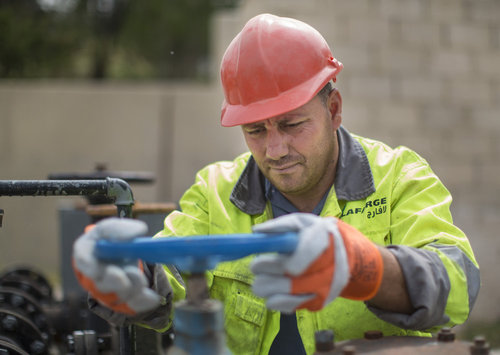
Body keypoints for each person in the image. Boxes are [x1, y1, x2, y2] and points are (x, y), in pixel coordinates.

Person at [72, 13, 480, 355]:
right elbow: (168, 280)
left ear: (333, 109)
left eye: (291, 124)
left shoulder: (399, 177)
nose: (275, 149)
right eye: (256, 130)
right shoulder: (216, 192)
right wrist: (129, 271)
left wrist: (365, 267)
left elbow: (457, 284)